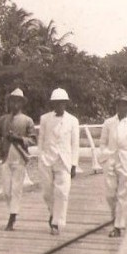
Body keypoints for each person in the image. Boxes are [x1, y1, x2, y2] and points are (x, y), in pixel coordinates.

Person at [98, 94, 127, 238]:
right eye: (119, 104)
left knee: (122, 194)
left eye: (125, 105)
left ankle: (118, 226)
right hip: (110, 161)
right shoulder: (109, 123)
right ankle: (115, 218)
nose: (121, 107)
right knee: (110, 194)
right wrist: (105, 157)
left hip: (126, 163)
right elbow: (102, 143)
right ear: (116, 106)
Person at [36, 88, 80, 235]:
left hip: (64, 161)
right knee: (47, 193)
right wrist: (40, 158)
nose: (59, 106)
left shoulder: (73, 121)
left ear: (66, 104)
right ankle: (53, 212)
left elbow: (75, 144)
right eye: (56, 103)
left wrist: (74, 164)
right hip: (47, 159)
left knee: (62, 192)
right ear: (52, 104)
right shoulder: (45, 119)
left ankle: (57, 223)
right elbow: (41, 140)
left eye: (61, 103)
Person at [0, 89, 36, 231]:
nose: (14, 104)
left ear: (22, 103)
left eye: (17, 101)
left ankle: (12, 217)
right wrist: (0, 148)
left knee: (16, 188)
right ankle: (13, 211)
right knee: (6, 190)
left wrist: (18, 138)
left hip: (20, 157)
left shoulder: (27, 120)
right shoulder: (3, 119)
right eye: (12, 101)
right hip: (6, 157)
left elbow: (33, 139)